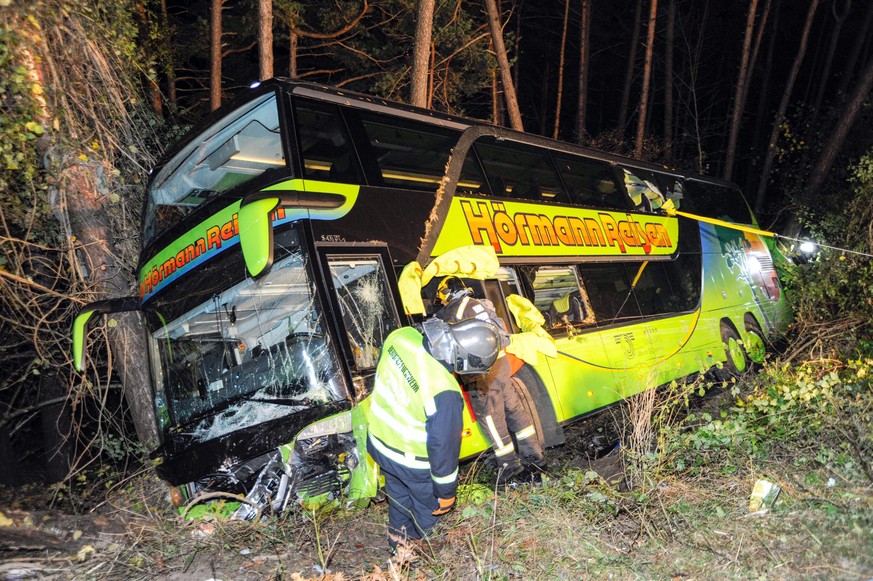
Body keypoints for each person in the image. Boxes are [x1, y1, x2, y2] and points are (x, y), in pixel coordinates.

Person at [366, 317, 500, 550]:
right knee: (430, 517)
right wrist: (446, 493)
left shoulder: (401, 336)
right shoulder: (444, 391)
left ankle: (399, 552)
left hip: (379, 443)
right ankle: (431, 561)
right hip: (412, 463)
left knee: (399, 503)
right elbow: (443, 450)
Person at [433, 276, 546, 483]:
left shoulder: (453, 310)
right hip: (501, 365)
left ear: (448, 292)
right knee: (514, 410)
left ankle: (510, 467)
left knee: (491, 419)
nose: (441, 301)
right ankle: (534, 457)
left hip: (481, 373)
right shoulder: (479, 304)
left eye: (441, 297)